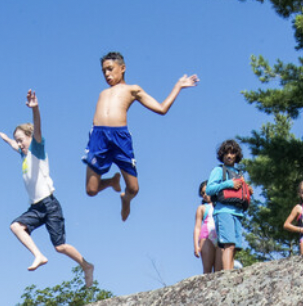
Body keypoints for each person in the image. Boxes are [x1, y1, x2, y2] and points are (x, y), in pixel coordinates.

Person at [83, 51, 199, 221]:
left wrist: (178, 87)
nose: (107, 74)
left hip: (120, 138)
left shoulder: (132, 89)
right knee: (91, 190)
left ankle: (126, 199)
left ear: (122, 68)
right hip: (98, 138)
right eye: (104, 72)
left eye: (110, 69)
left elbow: (161, 109)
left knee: (134, 188)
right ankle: (112, 182)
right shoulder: (102, 93)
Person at [0, 90, 95, 287]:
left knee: (60, 247)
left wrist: (36, 109)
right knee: (16, 226)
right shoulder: (23, 154)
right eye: (17, 141)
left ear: (30, 138)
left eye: (21, 139)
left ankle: (86, 266)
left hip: (49, 204)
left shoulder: (37, 148)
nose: (19, 144)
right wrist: (7, 140)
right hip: (36, 207)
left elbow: (38, 129)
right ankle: (39, 255)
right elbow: (14, 146)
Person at [205, 139, 251, 272]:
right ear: (222, 155)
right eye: (226, 153)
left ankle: (230, 270)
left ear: (237, 155)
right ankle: (227, 274)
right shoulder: (219, 170)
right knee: (228, 244)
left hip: (237, 212)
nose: (229, 156)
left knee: (235, 246)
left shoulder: (238, 173)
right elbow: (209, 189)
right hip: (223, 211)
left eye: (232, 153)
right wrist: (228, 184)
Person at [193, 180, 220, 274]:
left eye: (206, 191)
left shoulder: (220, 204)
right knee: (207, 269)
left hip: (220, 238)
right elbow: (197, 227)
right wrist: (196, 245)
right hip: (206, 237)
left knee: (219, 271)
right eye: (202, 193)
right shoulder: (202, 208)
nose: (205, 194)